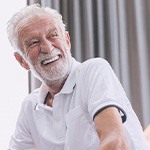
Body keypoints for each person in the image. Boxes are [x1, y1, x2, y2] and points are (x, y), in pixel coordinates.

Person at [7, 4, 148, 150]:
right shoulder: (30, 106)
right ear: (22, 60)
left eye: (53, 35)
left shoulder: (93, 71)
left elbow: (115, 143)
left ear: (67, 40)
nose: (48, 48)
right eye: (34, 43)